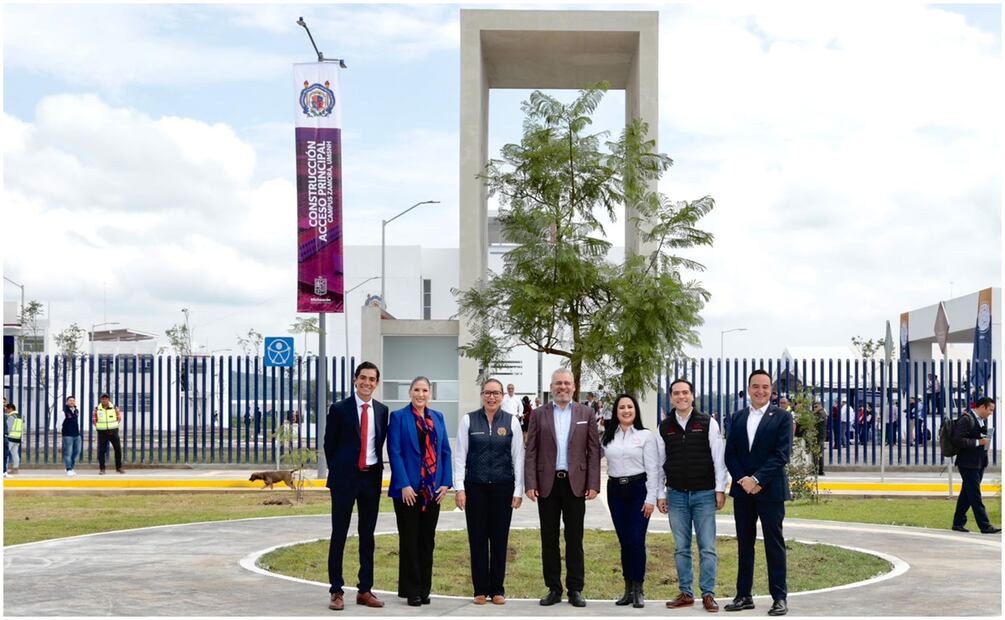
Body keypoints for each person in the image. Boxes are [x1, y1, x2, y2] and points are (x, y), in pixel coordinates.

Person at [524, 368, 600, 608]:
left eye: (567, 383)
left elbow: (593, 450)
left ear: (574, 387)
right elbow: (531, 450)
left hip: (575, 484)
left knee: (574, 539)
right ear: (551, 387)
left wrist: (593, 483)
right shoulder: (538, 414)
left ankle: (575, 589)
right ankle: (554, 588)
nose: (562, 387)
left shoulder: (586, 413)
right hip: (547, 485)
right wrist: (530, 483)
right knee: (549, 539)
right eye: (558, 384)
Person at [723, 370, 792, 616]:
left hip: (770, 491)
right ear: (749, 388)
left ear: (771, 391)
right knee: (744, 543)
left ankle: (779, 598)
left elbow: (781, 454)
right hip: (743, 492)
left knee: (774, 544)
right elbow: (730, 453)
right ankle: (744, 595)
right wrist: (744, 480)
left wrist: (757, 479)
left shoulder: (782, 417)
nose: (760, 391)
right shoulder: (738, 416)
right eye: (755, 386)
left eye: (765, 387)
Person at [657, 378, 728, 613]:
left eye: (685, 392)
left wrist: (720, 489)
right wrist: (660, 494)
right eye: (676, 393)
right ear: (671, 398)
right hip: (676, 495)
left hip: (704, 494)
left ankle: (708, 594)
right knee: (681, 547)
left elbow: (719, 459)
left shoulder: (708, 423)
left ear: (692, 395)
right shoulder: (664, 426)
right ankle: (686, 593)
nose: (681, 397)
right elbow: (659, 463)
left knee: (707, 546)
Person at [324, 361, 389, 611]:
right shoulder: (340, 409)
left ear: (376, 383)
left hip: (371, 479)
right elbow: (330, 444)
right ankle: (336, 590)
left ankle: (365, 590)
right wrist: (341, 470)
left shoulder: (383, 411)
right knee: (339, 534)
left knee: (367, 536)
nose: (367, 383)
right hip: (344, 480)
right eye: (363, 378)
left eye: (372, 379)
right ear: (355, 379)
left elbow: (378, 442)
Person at [454, 378, 525, 605]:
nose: (491, 397)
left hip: (503, 488)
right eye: (487, 393)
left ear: (503, 396)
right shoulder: (469, 420)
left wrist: (518, 490)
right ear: (482, 395)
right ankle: (480, 590)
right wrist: (460, 488)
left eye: (496, 393)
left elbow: (519, 458)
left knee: (499, 539)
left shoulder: (512, 422)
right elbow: (460, 456)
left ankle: (497, 589)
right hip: (475, 487)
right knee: (477, 539)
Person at [387, 376, 453, 607]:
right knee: (409, 541)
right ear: (410, 392)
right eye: (417, 389)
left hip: (432, 491)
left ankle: (425, 589)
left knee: (427, 541)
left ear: (430, 394)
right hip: (408, 491)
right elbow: (394, 452)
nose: (420, 394)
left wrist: (446, 483)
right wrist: (403, 484)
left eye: (425, 390)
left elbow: (445, 451)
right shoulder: (398, 417)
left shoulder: (438, 418)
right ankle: (411, 590)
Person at [602, 393, 659, 608]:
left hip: (638, 490)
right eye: (621, 408)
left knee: (636, 540)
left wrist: (650, 498)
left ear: (635, 411)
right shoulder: (608, 436)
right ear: (616, 412)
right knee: (625, 541)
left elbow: (653, 469)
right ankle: (627, 588)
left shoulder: (645, 436)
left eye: (630, 407)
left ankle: (638, 588)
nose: (626, 411)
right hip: (615, 490)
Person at [950, 397, 1000, 534]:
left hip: (979, 462)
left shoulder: (981, 420)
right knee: (975, 495)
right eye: (990, 410)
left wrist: (984, 440)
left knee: (966, 495)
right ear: (982, 407)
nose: (991, 413)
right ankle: (985, 526)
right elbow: (957, 440)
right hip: (968, 464)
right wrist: (979, 442)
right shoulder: (966, 419)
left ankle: (958, 523)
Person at [92, 393, 124, 474]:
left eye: (106, 398)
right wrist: (99, 427)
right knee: (101, 451)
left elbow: (119, 418)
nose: (104, 400)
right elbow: (94, 420)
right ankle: (102, 469)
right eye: (103, 399)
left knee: (118, 450)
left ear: (108, 399)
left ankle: (118, 468)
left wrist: (114, 425)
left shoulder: (114, 407)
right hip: (102, 432)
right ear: (100, 400)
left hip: (113, 432)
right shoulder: (97, 409)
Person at [62, 395, 83, 476]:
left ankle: (71, 467)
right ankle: (68, 469)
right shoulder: (63, 411)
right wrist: (64, 431)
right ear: (67, 402)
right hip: (68, 436)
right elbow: (59, 424)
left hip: (76, 435)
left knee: (77, 452)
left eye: (73, 400)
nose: (72, 402)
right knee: (68, 453)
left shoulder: (76, 411)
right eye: (70, 400)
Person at [5, 402, 22, 474]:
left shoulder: (11, 417)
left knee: (5, 453)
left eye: (7, 409)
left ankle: (4, 469)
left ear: (11, 409)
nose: (6, 411)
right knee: (15, 454)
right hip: (17, 438)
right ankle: (15, 469)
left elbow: (8, 428)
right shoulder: (19, 416)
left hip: (10, 437)